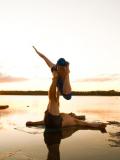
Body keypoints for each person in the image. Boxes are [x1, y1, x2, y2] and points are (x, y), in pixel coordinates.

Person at [26, 70, 107, 131]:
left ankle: (54, 79)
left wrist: (98, 125)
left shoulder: (72, 119)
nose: (71, 113)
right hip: (50, 121)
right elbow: (43, 121)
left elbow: (88, 124)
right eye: (72, 113)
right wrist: (32, 123)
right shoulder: (67, 117)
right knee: (54, 100)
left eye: (72, 114)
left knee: (53, 100)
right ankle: (56, 81)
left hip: (52, 121)